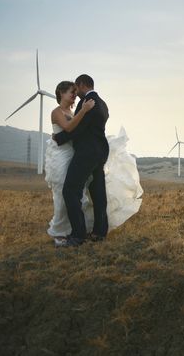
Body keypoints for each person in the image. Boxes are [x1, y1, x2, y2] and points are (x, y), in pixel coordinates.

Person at [51, 74, 142, 247]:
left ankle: (77, 235)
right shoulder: (102, 103)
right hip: (100, 152)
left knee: (70, 191)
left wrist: (60, 138)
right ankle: (99, 232)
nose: (76, 93)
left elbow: (78, 129)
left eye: (76, 89)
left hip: (86, 153)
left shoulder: (87, 103)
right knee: (98, 193)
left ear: (82, 84)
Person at [44, 81, 95, 245]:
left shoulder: (72, 111)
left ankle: (77, 228)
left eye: (75, 91)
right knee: (61, 193)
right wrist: (85, 111)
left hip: (72, 154)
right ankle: (60, 231)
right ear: (60, 92)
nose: (74, 95)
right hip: (60, 156)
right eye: (71, 92)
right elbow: (68, 128)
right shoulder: (56, 112)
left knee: (75, 193)